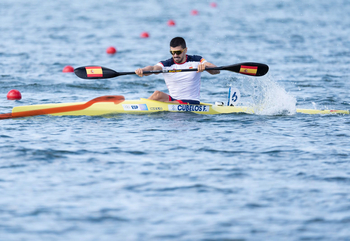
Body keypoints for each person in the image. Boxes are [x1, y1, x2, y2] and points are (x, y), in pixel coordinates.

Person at [135, 37, 220, 104]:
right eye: (172, 52)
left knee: (169, 103)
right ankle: (140, 107)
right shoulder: (167, 64)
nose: (175, 55)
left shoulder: (197, 60)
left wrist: (205, 67)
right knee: (157, 94)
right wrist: (142, 70)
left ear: (185, 50)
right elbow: (153, 69)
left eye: (178, 52)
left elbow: (216, 70)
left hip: (191, 101)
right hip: (174, 100)